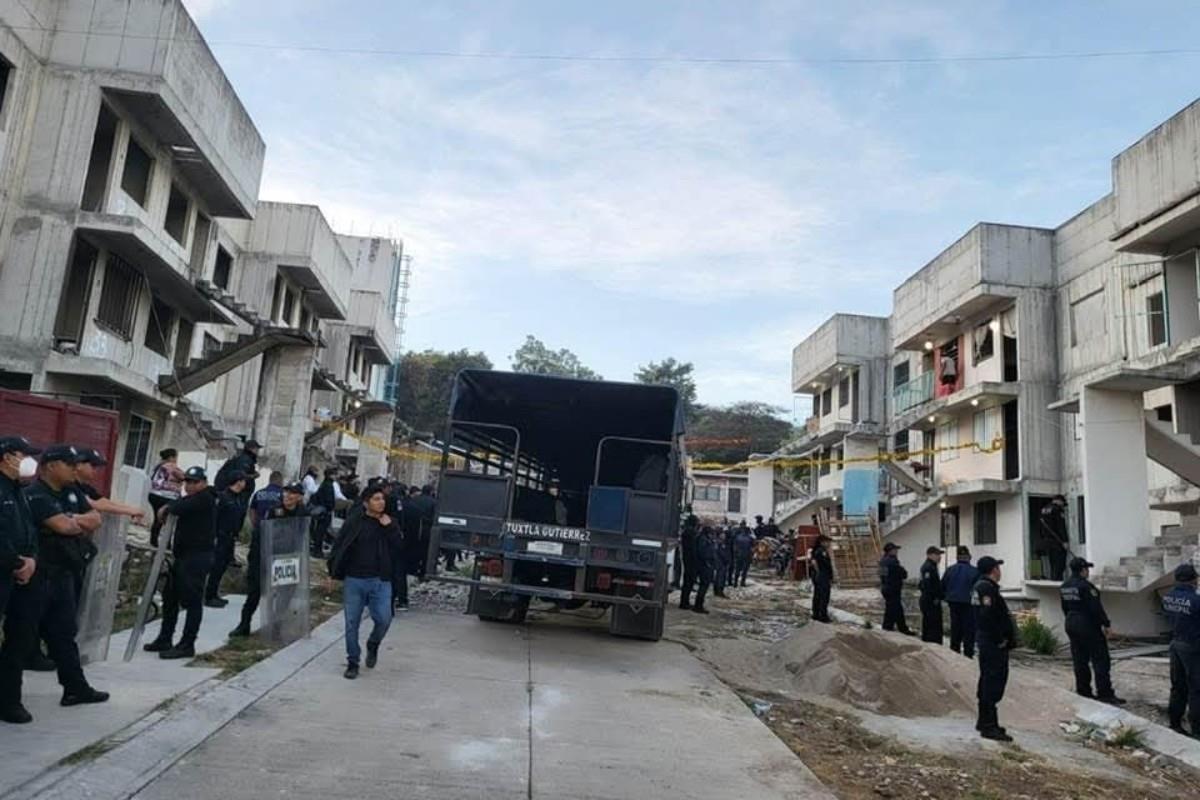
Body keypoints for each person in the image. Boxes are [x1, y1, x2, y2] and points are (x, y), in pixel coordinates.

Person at [20, 445, 109, 709]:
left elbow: (96, 520)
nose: (75, 468)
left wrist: (72, 519)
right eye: (68, 463)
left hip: (64, 575)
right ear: (50, 466)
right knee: (21, 637)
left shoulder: (72, 492)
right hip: (38, 576)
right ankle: (9, 698)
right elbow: (63, 526)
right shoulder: (35, 494)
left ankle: (75, 689)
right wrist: (72, 521)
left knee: (64, 634)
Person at [328, 487, 403, 679]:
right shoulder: (354, 522)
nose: (381, 502)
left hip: (380, 581)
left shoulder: (390, 523)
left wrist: (390, 528)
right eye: (376, 499)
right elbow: (340, 547)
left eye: (383, 499)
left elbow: (399, 548)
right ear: (366, 502)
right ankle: (353, 661)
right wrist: (332, 572)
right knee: (352, 623)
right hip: (354, 580)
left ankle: (373, 643)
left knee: (384, 619)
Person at [145, 466, 217, 659]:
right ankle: (165, 638)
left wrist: (166, 508)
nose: (190, 486)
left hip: (197, 557)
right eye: (187, 482)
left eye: (195, 482)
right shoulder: (192, 499)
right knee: (170, 598)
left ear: (203, 483)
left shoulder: (205, 498)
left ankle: (187, 644)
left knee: (192, 601)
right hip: (183, 556)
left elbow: (178, 507)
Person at [231, 482, 308, 637]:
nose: (288, 495)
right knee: (254, 592)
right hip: (265, 556)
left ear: (299, 496)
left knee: (284, 595)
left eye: (292, 493)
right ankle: (244, 625)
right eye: (286, 492)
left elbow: (302, 536)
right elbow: (262, 534)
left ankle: (276, 626)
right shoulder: (274, 511)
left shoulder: (303, 513)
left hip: (287, 559)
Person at [0, 436, 40, 724]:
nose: (28, 460)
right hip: (5, 571)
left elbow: (29, 530)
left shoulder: (20, 490)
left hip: (19, 577)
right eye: (22, 454)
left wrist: (31, 559)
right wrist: (15, 562)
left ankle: (9, 700)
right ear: (6, 458)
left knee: (18, 639)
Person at [1060, 556, 1124, 704]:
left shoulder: (1065, 586)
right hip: (1087, 624)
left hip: (1071, 623)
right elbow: (1096, 609)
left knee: (1080, 660)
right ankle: (1105, 693)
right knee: (1100, 659)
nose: (1088, 571)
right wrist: (1106, 625)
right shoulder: (1086, 587)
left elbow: (1064, 607)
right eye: (1087, 568)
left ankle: (1083, 691)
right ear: (1082, 570)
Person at [974, 556, 1017, 742]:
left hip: (988, 641)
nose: (1000, 571)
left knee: (987, 680)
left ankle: (985, 721)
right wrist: (999, 639)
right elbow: (987, 617)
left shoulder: (984, 587)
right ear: (993, 570)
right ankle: (989, 726)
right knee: (993, 681)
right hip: (992, 644)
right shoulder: (986, 589)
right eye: (998, 567)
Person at [1164, 563, 1200, 736]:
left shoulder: (1168, 597)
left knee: (1178, 686)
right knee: (1196, 688)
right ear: (1193, 579)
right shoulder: (1196, 600)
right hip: (1192, 647)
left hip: (1175, 645)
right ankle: (1197, 730)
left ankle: (1175, 723)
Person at [205, 472, 247, 608]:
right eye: (243, 481)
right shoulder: (223, 497)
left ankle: (214, 593)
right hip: (221, 536)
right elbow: (215, 518)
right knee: (216, 567)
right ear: (238, 482)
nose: (244, 484)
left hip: (231, 537)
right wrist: (214, 536)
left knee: (223, 566)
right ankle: (209, 596)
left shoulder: (239, 498)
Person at [75, 449, 145, 524]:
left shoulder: (84, 486)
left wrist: (132, 509)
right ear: (79, 465)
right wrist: (130, 511)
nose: (96, 470)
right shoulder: (71, 485)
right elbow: (96, 504)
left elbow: (103, 501)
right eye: (93, 465)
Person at [942, 545, 979, 658]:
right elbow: (978, 589)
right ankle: (968, 654)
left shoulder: (949, 570)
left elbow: (943, 586)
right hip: (968, 604)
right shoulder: (975, 571)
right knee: (969, 629)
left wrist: (947, 597)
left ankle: (954, 651)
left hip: (953, 603)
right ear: (969, 557)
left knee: (955, 627)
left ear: (957, 557)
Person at [148, 449, 184, 548]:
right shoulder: (170, 466)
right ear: (171, 457)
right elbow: (183, 476)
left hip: (154, 494)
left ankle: (153, 541)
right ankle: (166, 544)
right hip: (166, 496)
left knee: (157, 519)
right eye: (176, 457)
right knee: (168, 521)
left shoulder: (159, 466)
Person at [309, 467, 346, 557]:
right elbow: (329, 500)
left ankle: (317, 550)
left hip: (322, 511)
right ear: (331, 475)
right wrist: (331, 507)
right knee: (321, 532)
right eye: (335, 474)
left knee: (320, 532)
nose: (336, 476)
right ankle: (317, 551)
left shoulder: (325, 484)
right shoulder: (329, 485)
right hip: (325, 512)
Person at [879, 542, 913, 635]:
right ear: (890, 551)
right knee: (892, 609)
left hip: (885, 587)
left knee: (897, 608)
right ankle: (887, 628)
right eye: (895, 550)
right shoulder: (892, 561)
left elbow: (882, 576)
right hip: (893, 588)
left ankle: (902, 628)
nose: (897, 551)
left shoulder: (882, 561)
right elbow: (903, 573)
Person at [1039, 495, 1070, 582]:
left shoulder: (1044, 509)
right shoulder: (1057, 509)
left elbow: (1041, 528)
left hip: (1047, 541)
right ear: (1059, 501)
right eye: (1063, 504)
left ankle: (1054, 580)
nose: (1063, 506)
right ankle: (1057, 582)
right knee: (1060, 564)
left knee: (1052, 563)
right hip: (1057, 542)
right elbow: (1061, 526)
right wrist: (1065, 541)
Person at [919, 546, 945, 644]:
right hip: (930, 601)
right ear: (930, 555)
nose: (939, 557)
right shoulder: (928, 567)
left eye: (939, 555)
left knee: (931, 625)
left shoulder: (932, 566)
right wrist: (936, 597)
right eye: (937, 555)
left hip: (930, 600)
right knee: (932, 626)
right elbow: (927, 586)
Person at [689, 526, 716, 614]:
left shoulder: (702, 538)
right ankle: (698, 605)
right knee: (703, 585)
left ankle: (699, 604)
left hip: (703, 565)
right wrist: (707, 562)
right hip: (704, 566)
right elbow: (703, 553)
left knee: (704, 586)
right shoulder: (703, 540)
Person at [810, 534, 834, 623]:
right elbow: (819, 564)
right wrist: (821, 574)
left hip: (819, 576)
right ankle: (822, 615)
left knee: (817, 595)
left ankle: (816, 614)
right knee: (824, 596)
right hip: (822, 576)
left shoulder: (816, 550)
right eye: (827, 542)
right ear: (822, 542)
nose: (829, 544)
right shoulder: (821, 551)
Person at [678, 516, 700, 610]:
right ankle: (684, 602)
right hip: (690, 560)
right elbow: (693, 548)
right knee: (688, 582)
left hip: (687, 559)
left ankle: (685, 601)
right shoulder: (690, 533)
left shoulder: (687, 532)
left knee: (688, 582)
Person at [712, 529, 729, 598]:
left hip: (718, 562)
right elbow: (721, 553)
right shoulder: (720, 543)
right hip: (720, 562)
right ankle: (719, 591)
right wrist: (726, 559)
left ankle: (717, 591)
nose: (724, 535)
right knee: (720, 577)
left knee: (718, 577)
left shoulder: (716, 542)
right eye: (723, 534)